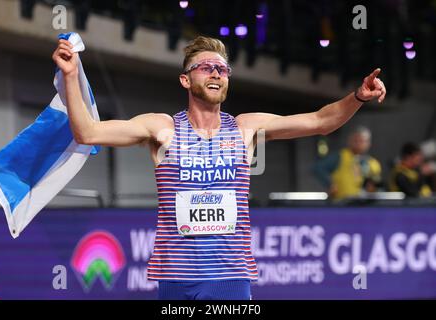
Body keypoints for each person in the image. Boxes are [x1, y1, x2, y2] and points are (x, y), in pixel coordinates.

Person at [52, 35, 387, 300]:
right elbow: (88, 133)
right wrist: (70, 76)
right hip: (175, 278)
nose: (216, 72)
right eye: (206, 67)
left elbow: (320, 122)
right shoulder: (162, 128)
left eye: (222, 69)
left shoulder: (245, 128)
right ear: (185, 80)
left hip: (229, 278)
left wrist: (356, 97)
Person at [313, 126, 382, 200]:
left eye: (362, 141)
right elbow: (318, 168)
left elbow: (377, 185)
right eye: (356, 140)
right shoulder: (340, 156)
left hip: (365, 204)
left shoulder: (373, 163)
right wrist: (330, 184)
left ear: (368, 143)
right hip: (343, 202)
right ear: (350, 141)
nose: (358, 144)